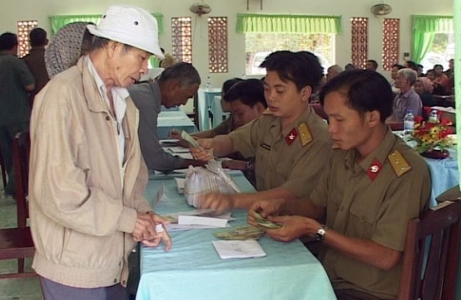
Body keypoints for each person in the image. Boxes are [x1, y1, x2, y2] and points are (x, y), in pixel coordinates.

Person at [248, 70, 431, 300]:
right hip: (326, 275)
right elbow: (315, 206)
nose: (331, 129)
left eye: (340, 120)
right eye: (328, 119)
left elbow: (385, 256)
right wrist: (281, 207)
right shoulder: (341, 155)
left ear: (372, 118)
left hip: (366, 292)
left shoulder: (405, 172)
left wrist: (314, 229)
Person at [28, 5, 171, 299]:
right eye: (142, 57)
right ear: (114, 47)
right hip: (75, 266)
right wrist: (129, 220)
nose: (146, 68)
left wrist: (143, 217)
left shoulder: (123, 102)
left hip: (112, 259)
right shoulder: (61, 95)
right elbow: (59, 194)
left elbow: (131, 178)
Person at [190, 51, 331, 213]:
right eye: (267, 89)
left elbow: (290, 194)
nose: (270, 97)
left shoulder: (317, 138)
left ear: (305, 93)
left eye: (280, 91)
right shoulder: (269, 121)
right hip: (262, 215)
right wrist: (210, 145)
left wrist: (232, 200)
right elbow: (234, 141)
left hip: (294, 228)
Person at [128, 62, 203, 173]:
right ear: (173, 86)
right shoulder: (145, 101)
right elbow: (153, 159)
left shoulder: (145, 92)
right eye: (186, 96)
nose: (183, 102)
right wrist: (195, 163)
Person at [0, 32, 35, 198]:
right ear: (15, 46)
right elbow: (29, 85)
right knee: (21, 154)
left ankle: (17, 193)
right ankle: (17, 189)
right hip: (18, 116)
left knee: (8, 156)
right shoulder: (16, 62)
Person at [23, 27, 49, 106]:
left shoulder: (24, 61)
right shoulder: (52, 58)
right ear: (46, 42)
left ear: (30, 42)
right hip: (51, 98)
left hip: (32, 101)